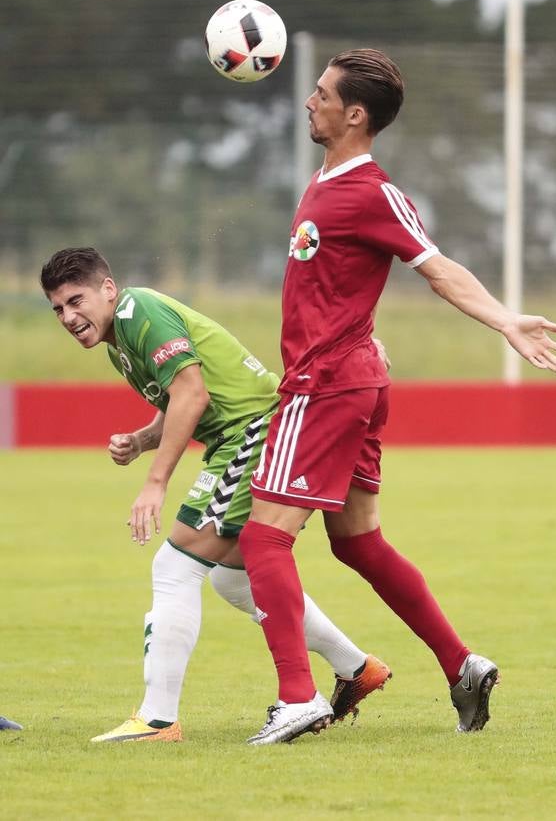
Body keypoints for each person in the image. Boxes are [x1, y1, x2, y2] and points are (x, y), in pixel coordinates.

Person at [238, 48, 556, 745]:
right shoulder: (325, 181)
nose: (310, 100)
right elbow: (342, 285)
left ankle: (297, 697)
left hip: (326, 386)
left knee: (263, 537)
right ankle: (461, 663)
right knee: (357, 543)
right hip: (350, 376)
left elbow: (437, 267)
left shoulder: (369, 190)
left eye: (324, 94)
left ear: (354, 115)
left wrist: (505, 318)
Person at [40, 247, 392, 743]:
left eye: (76, 301)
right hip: (247, 435)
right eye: (58, 309)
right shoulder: (118, 341)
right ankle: (356, 668)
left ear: (108, 289)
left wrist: (156, 484)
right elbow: (179, 399)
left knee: (175, 565)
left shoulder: (136, 311)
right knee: (233, 579)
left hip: (254, 432)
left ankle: (157, 720)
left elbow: (192, 393)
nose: (69, 317)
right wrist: (142, 441)